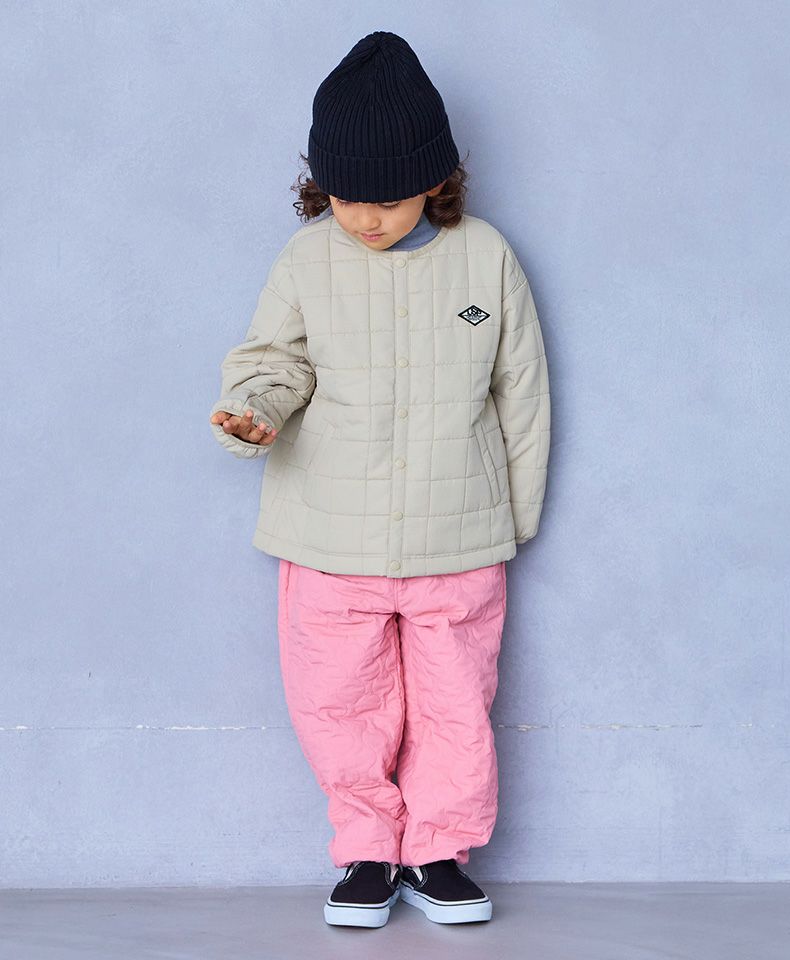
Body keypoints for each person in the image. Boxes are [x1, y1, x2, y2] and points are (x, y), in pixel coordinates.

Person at [209, 30, 551, 928]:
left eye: (389, 200)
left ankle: (438, 852)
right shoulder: (307, 259)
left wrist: (512, 515)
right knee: (338, 701)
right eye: (346, 197)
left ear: (435, 180)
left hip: (457, 536)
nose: (366, 218)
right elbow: (274, 361)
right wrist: (253, 410)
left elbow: (522, 392)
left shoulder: (486, 258)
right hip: (330, 535)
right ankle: (367, 850)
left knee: (455, 705)